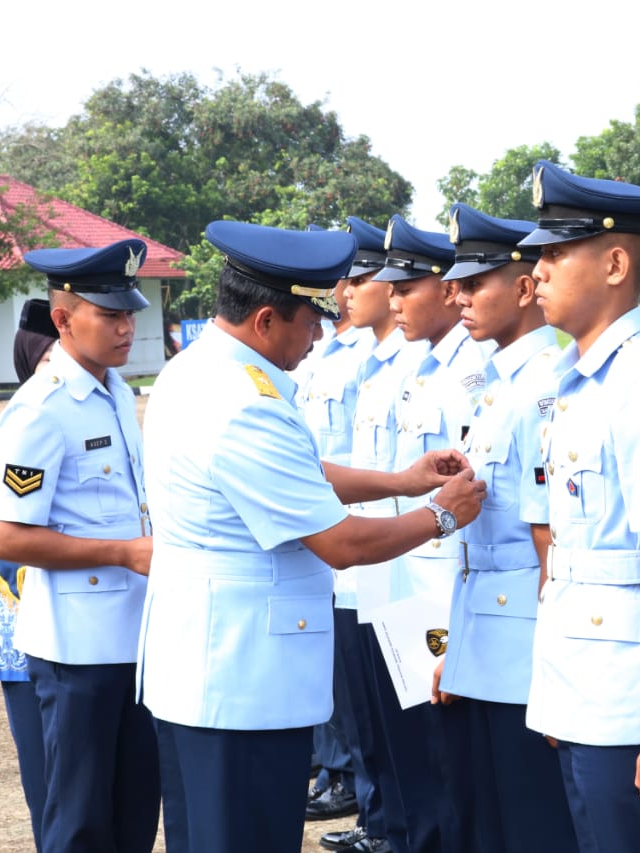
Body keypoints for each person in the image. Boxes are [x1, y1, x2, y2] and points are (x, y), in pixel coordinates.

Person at [137, 220, 486, 853]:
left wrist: (399, 481)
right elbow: (341, 544)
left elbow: (296, 477)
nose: (323, 332)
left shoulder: (199, 372)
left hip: (206, 670)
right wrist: (443, 514)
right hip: (240, 684)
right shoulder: (245, 401)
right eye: (311, 316)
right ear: (267, 320)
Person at [519, 160, 640, 853]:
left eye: (553, 253)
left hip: (634, 706)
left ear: (614, 262)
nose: (536, 271)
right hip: (583, 689)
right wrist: (556, 691)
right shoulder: (575, 380)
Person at [0, 240, 160, 853]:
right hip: (76, 647)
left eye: (129, 314)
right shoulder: (41, 408)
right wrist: (120, 553)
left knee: (136, 811)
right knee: (81, 820)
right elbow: (5, 537)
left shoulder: (114, 392)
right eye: (110, 316)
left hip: (136, 636)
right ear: (63, 319)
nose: (126, 328)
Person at [428, 203, 578, 853]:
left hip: (524, 657)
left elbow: (554, 544)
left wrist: (556, 671)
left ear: (522, 287)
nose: (456, 294)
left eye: (475, 281)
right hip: (483, 643)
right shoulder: (497, 385)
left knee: (532, 827)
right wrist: (455, 646)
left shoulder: (546, 386)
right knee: (486, 828)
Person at [367, 213, 493, 853]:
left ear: (448, 290)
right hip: (411, 577)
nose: (393, 302)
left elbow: (475, 491)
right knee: (420, 747)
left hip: (446, 584)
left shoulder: (471, 372)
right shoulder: (426, 366)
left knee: (450, 757)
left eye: (405, 289)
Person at [321, 217, 431, 853]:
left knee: (411, 729)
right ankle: (382, 823)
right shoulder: (372, 363)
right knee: (373, 719)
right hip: (364, 559)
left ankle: (399, 829)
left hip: (407, 565)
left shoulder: (415, 365)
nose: (350, 292)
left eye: (365, 279)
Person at [0, 298, 58, 849]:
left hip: (94, 642)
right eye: (49, 358)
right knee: (50, 797)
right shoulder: (13, 432)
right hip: (24, 644)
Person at [297, 242, 377, 823]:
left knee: (358, 688)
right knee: (338, 676)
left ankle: (348, 777)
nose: (345, 291)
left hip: (357, 523)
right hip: (319, 518)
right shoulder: (328, 351)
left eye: (357, 279)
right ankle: (335, 770)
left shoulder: (365, 355)